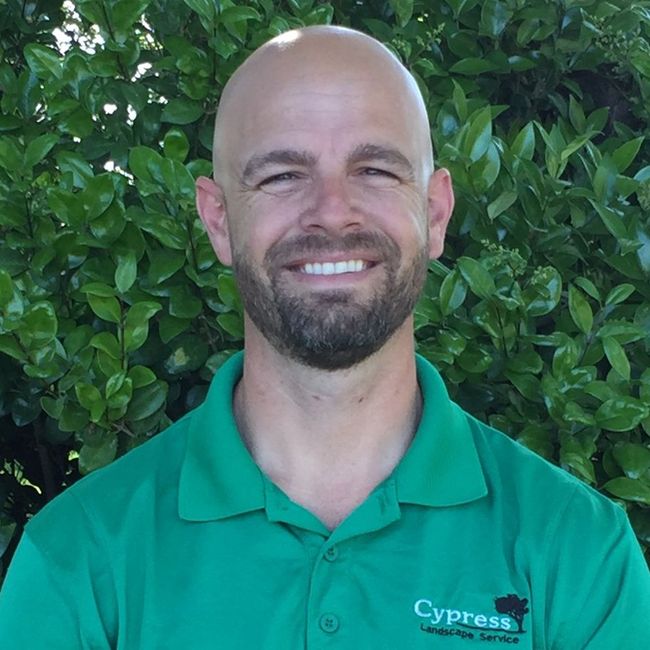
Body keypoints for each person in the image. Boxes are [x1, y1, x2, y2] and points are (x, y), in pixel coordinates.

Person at [0, 25, 649, 649]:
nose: (333, 211)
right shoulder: (78, 559)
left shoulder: (578, 552)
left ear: (435, 211)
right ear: (219, 220)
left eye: (375, 170)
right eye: (282, 175)